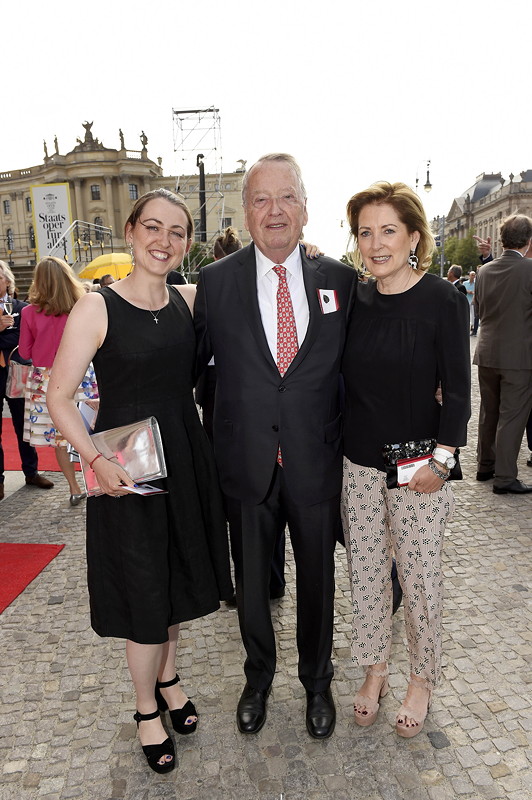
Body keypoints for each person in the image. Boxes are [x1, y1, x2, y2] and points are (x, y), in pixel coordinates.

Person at [47, 188, 232, 775]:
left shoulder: (190, 299)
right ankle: (146, 708)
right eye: (152, 227)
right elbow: (58, 396)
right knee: (147, 588)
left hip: (183, 455)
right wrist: (93, 460)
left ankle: (170, 677)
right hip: (128, 467)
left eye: (176, 231)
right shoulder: (97, 307)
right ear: (130, 232)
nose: (163, 240)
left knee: (175, 577)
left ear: (186, 242)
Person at [194, 153, 357, 740]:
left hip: (315, 461)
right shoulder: (214, 284)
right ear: (246, 212)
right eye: (260, 199)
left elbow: (361, 369)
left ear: (306, 209)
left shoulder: (339, 280)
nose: (274, 210)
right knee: (254, 586)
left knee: (317, 582)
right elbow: (191, 371)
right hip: (246, 464)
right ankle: (257, 677)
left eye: (286, 197)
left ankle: (318, 682)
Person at [341, 181, 470, 738]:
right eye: (365, 232)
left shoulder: (442, 299)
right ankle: (375, 671)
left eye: (388, 230)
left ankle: (422, 678)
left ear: (414, 236)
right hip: (359, 464)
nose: (376, 243)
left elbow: (459, 390)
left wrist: (441, 461)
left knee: (418, 579)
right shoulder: (353, 299)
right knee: (366, 575)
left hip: (418, 466)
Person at [19, 258, 93, 506]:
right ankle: (98, 483)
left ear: (38, 281)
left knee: (60, 438)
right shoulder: (82, 306)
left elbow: (25, 353)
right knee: (90, 430)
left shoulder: (28, 312)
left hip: (45, 381)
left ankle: (74, 488)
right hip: (80, 373)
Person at [473, 214, 532, 494]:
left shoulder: (484, 271)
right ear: (528, 241)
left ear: (501, 239)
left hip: (486, 352)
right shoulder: (529, 270)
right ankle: (505, 477)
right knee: (511, 417)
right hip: (519, 357)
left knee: (489, 412)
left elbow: (479, 309)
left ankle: (486, 465)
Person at [0, 261, 54, 501]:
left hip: (17, 374)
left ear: (7, 281)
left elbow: (22, 343)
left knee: (24, 427)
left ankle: (31, 473)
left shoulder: (23, 309)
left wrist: (7, 335)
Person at [463, 270, 479, 335]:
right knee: (466, 314)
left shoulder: (476, 283)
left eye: (474, 275)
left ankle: (472, 326)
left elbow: (477, 291)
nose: (473, 276)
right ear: (469, 276)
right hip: (466, 300)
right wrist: (467, 291)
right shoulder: (465, 283)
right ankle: (467, 326)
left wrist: (473, 293)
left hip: (473, 301)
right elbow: (463, 290)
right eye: (472, 275)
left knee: (473, 315)